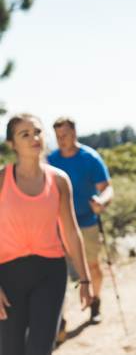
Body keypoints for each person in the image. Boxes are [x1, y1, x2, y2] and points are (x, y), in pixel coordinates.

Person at [0, 114, 93, 355]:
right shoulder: (1, 180)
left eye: (38, 132)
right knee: (10, 349)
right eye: (25, 134)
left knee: (40, 349)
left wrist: (85, 278)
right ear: (12, 144)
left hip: (50, 273)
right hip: (7, 276)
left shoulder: (59, 180)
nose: (35, 138)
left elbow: (71, 231)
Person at [48, 117, 113, 326]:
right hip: (58, 226)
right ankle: (60, 320)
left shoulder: (90, 158)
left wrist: (101, 201)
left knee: (92, 266)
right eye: (58, 137)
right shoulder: (51, 160)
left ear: (74, 133)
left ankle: (95, 303)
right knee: (58, 274)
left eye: (65, 135)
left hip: (87, 222)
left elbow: (107, 187)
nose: (61, 140)